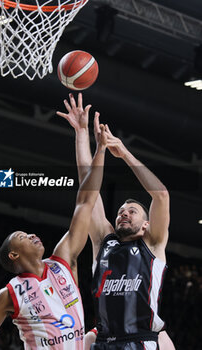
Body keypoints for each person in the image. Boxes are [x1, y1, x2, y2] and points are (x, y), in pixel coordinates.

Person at [0, 125, 108, 350]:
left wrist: (99, 149)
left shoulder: (62, 260)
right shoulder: (8, 294)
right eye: (22, 236)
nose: (32, 235)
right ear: (13, 254)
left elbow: (85, 202)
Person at [57, 93, 175, 350]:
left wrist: (124, 154)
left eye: (133, 211)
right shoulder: (103, 241)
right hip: (104, 342)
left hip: (141, 341)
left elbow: (161, 195)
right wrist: (81, 133)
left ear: (146, 225)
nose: (124, 212)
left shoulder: (152, 245)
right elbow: (87, 194)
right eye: (122, 210)